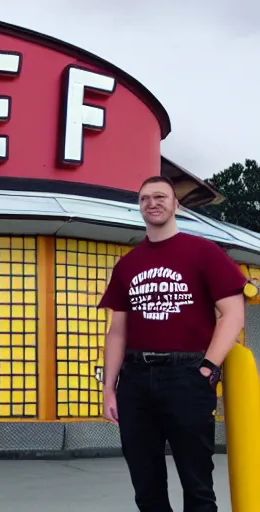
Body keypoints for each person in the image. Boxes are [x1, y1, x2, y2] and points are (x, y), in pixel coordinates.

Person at [98, 175, 246, 512]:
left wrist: (208, 367)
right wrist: (110, 388)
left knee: (197, 484)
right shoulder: (127, 264)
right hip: (135, 381)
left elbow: (233, 314)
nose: (153, 202)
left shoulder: (204, 252)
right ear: (139, 207)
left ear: (176, 204)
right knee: (146, 486)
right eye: (145, 198)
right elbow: (117, 331)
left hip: (187, 376)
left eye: (161, 196)